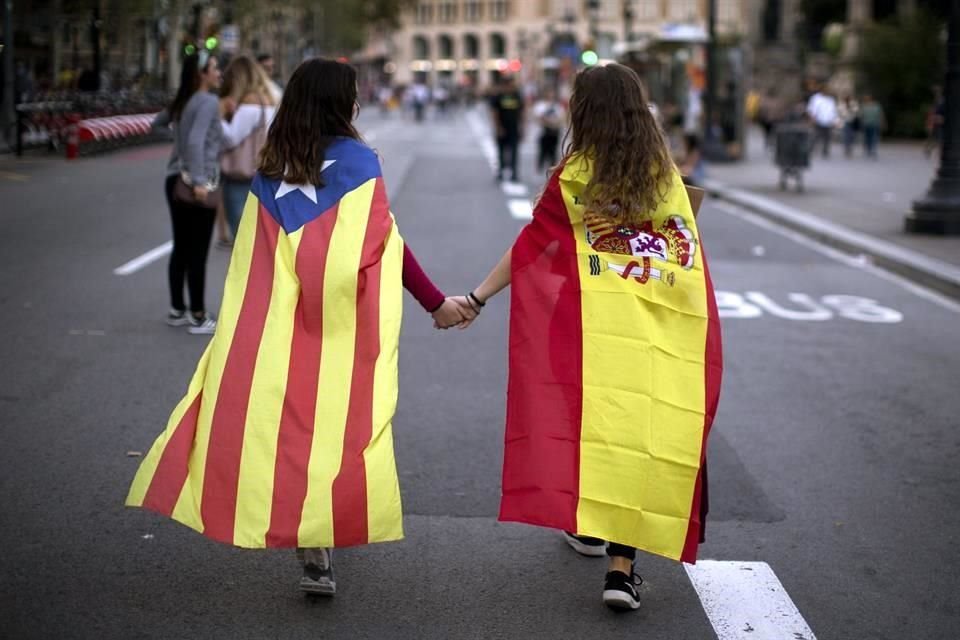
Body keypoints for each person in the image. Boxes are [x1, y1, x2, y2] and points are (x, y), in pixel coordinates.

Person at [126, 57, 471, 599]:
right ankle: (318, 537)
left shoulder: (272, 165)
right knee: (332, 429)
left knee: (279, 426)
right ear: (342, 102)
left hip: (272, 324)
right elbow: (384, 245)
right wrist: (435, 303)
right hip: (338, 323)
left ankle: (307, 546)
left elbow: (255, 255)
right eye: (353, 94)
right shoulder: (360, 163)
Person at [454, 64, 721, 611]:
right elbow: (686, 251)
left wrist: (477, 298)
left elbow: (534, 248)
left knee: (597, 428)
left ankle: (591, 523)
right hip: (659, 333)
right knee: (645, 438)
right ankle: (621, 571)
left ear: (584, 112)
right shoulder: (663, 174)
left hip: (588, 333)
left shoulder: (575, 175)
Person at [152, 50, 224, 335]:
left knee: (181, 246)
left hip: (173, 180)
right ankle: (197, 314)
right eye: (215, 68)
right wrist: (199, 181)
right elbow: (196, 142)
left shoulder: (183, 101)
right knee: (198, 249)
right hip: (196, 184)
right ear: (201, 74)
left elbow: (156, 125)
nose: (219, 73)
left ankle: (177, 309)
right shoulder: (207, 101)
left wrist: (176, 144)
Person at [218, 54, 279, 241]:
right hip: (263, 173)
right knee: (258, 239)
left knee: (242, 239)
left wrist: (219, 115)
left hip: (241, 176)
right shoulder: (269, 100)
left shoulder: (249, 104)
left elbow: (230, 138)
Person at [489, 76, 524, 182]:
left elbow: (522, 112)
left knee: (514, 151)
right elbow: (494, 113)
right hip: (502, 128)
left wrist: (522, 127)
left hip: (514, 128)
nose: (511, 87)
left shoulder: (517, 95)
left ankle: (514, 172)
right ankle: (500, 171)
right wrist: (498, 127)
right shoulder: (498, 96)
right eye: (509, 84)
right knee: (501, 151)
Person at [532, 89, 565, 173]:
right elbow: (538, 118)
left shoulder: (558, 106)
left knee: (553, 152)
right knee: (543, 151)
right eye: (549, 94)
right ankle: (540, 167)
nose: (551, 96)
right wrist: (550, 123)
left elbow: (561, 118)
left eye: (552, 94)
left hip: (554, 133)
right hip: (544, 132)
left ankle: (552, 168)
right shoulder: (540, 105)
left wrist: (554, 124)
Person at [806, 85, 838, 158]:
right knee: (815, 136)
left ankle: (825, 151)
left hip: (828, 121)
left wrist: (835, 120)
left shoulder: (830, 99)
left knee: (827, 137)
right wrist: (812, 118)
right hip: (818, 120)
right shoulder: (816, 98)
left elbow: (833, 111)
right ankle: (810, 150)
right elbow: (811, 109)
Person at [860, 94, 886, 159]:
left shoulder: (876, 105)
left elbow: (881, 114)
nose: (867, 99)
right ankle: (869, 149)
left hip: (875, 124)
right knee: (867, 138)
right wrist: (861, 123)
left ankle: (873, 150)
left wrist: (882, 122)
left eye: (868, 98)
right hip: (866, 124)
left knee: (874, 137)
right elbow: (861, 115)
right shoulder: (864, 106)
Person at [925, 85, 944, 159]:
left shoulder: (941, 101)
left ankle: (931, 150)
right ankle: (929, 150)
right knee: (934, 138)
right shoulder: (936, 101)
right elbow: (932, 112)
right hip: (935, 122)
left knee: (938, 139)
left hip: (939, 123)